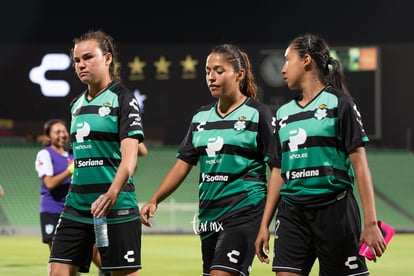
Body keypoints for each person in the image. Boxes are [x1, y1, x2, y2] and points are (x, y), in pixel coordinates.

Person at [254, 33, 387, 275]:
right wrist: (264, 225)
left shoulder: (341, 104)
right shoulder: (283, 113)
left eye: (287, 60)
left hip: (335, 212)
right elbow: (277, 171)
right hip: (292, 213)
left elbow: (360, 165)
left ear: (306, 61)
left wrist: (370, 223)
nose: (283, 68)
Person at [140, 43, 278, 276]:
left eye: (219, 71)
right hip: (209, 215)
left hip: (245, 210)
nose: (211, 77)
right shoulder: (201, 116)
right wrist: (155, 198)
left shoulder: (257, 113)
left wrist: (266, 221)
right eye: (207, 71)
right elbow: (183, 163)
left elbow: (277, 167)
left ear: (239, 74)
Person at [48, 29, 145, 276]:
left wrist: (112, 194)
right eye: (77, 61)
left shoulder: (124, 99)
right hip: (76, 207)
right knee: (56, 272)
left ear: (108, 58)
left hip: (116, 206)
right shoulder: (76, 105)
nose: (81, 65)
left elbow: (130, 158)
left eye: (88, 57)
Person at [35, 119, 73, 251]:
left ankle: (105, 271)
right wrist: (70, 171)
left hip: (73, 209)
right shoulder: (45, 154)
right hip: (53, 209)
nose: (62, 135)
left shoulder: (73, 155)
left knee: (88, 248)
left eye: (64, 131)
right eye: (57, 132)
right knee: (59, 253)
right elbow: (49, 183)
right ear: (48, 137)